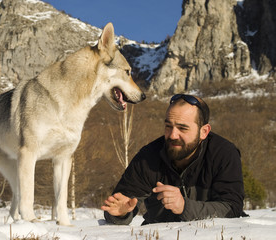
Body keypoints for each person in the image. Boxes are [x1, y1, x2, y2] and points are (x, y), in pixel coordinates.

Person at [102, 94, 245, 225]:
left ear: (204, 132)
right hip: (160, 234)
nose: (172, 135)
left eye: (183, 128)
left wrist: (185, 207)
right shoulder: (148, 157)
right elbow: (119, 204)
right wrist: (120, 214)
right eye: (168, 126)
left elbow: (232, 208)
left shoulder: (223, 154)